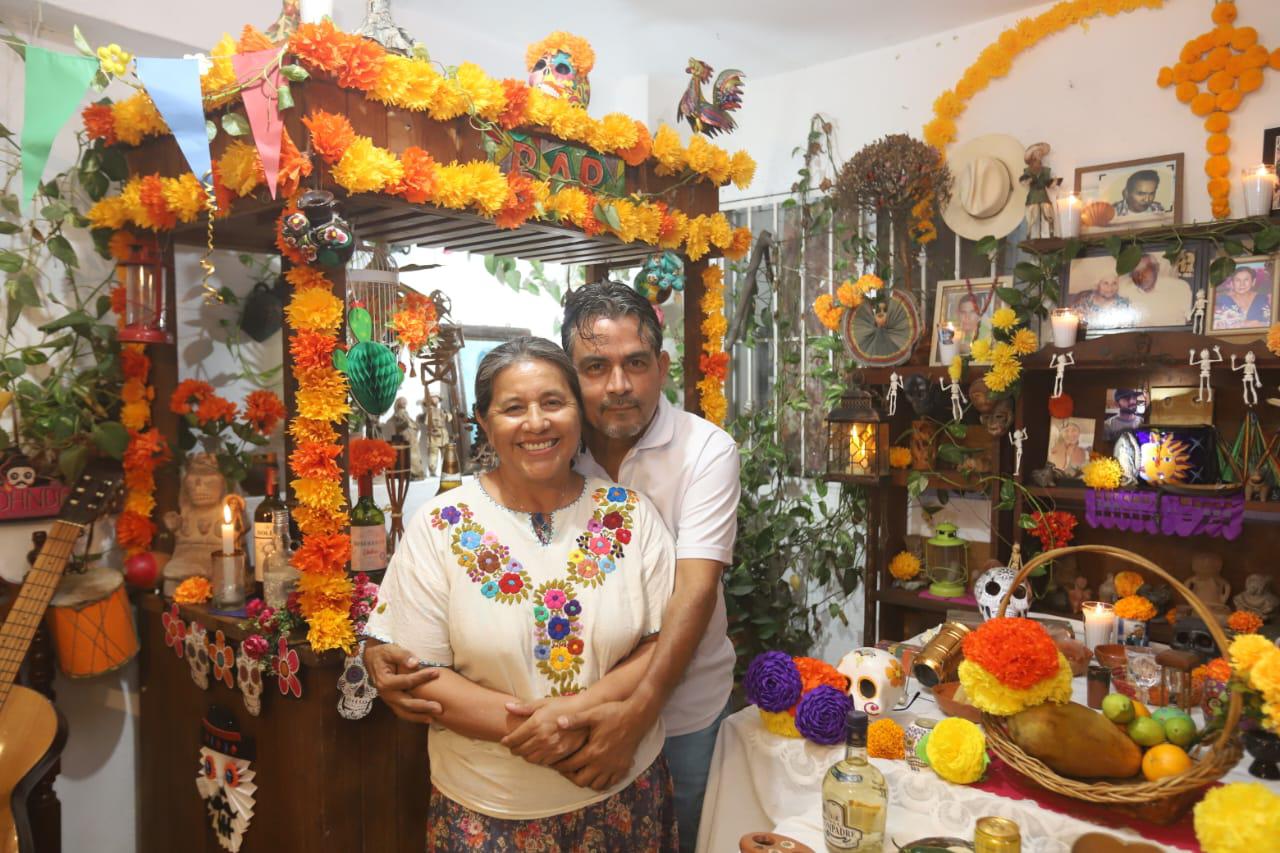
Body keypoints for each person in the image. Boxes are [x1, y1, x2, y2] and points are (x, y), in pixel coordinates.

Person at [367, 282, 741, 852]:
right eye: (513, 408)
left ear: (661, 367)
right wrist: (550, 729)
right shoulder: (444, 521)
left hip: (647, 749)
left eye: (635, 363)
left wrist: (625, 718)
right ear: (485, 423)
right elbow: (418, 669)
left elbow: (680, 610)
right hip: (491, 801)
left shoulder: (668, 480)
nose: (537, 422)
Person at [1118, 255, 1191, 327]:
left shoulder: (1179, 288)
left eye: (1145, 271)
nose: (1140, 276)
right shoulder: (1125, 293)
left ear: (1156, 268)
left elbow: (1190, 320)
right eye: (1135, 273)